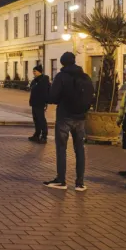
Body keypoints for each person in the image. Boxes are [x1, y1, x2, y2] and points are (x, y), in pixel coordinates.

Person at [44, 52, 92, 192]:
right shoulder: (85, 76)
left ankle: (61, 180)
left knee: (61, 148)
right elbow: (91, 94)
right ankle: (80, 183)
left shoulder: (61, 76)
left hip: (65, 116)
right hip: (80, 117)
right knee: (80, 149)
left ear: (62, 62)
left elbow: (53, 96)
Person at [28, 65, 50, 144]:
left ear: (39, 71)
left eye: (35, 71)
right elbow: (31, 88)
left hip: (40, 102)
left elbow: (45, 92)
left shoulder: (44, 80)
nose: (33, 73)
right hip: (34, 102)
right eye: (33, 71)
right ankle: (36, 135)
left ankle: (44, 136)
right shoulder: (35, 80)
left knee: (41, 119)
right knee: (36, 119)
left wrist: (45, 103)